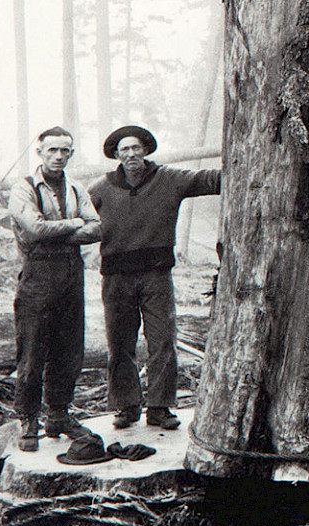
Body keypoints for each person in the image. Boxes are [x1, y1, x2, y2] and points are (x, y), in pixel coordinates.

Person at [90, 125, 221, 431]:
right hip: (116, 278)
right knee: (119, 342)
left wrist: (246, 166)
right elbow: (76, 216)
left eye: (136, 148)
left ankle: (160, 407)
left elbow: (211, 180)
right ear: (117, 156)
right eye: (125, 150)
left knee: (162, 340)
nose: (131, 154)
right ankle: (126, 405)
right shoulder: (100, 189)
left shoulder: (168, 179)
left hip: (156, 275)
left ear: (146, 150)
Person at [7, 126, 108, 463]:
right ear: (40, 152)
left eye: (65, 151)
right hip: (37, 277)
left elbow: (97, 227)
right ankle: (28, 420)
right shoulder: (24, 189)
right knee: (33, 352)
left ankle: (59, 415)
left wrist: (63, 230)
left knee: (69, 351)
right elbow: (34, 230)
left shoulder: (76, 187)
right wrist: (72, 224)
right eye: (53, 150)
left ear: (71, 154)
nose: (59, 156)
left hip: (70, 275)